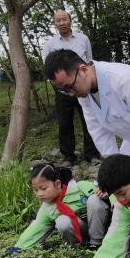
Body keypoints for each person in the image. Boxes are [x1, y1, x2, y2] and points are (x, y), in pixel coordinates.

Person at [0, 163, 111, 258]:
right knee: (62, 222)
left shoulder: (82, 188)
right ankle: (79, 250)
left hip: (106, 231)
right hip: (83, 235)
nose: (39, 194)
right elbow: (31, 234)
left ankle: (96, 246)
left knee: (95, 201)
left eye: (43, 188)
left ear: (57, 184)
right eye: (36, 190)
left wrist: (106, 194)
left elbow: (115, 197)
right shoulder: (48, 208)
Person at [42, 10, 100, 166]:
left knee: (89, 120)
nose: (61, 23)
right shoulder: (50, 44)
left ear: (70, 20)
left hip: (83, 86)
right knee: (64, 123)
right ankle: (68, 156)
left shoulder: (83, 39)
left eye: (63, 19)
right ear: (55, 24)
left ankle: (92, 154)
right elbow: (48, 69)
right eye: (58, 21)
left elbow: (89, 61)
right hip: (63, 90)